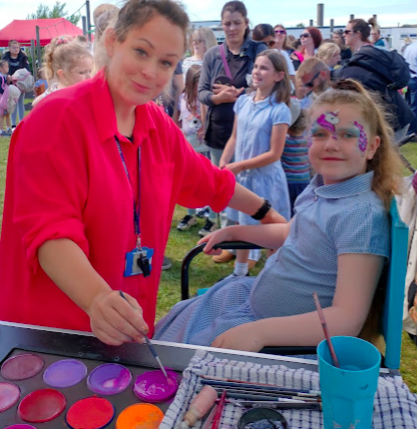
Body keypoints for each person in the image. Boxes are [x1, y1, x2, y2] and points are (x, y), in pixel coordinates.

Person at [0, 0, 285, 346]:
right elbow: (50, 233)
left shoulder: (156, 125)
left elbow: (211, 181)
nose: (150, 71)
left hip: (121, 334)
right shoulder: (55, 119)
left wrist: (270, 216)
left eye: (166, 62)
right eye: (141, 52)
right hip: (46, 336)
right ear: (112, 42)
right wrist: (97, 298)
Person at [154, 79, 402, 351]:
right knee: (173, 334)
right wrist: (234, 231)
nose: (330, 144)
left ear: (372, 146)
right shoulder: (322, 188)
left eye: (347, 135)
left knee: (178, 356)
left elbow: (346, 319)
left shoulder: (360, 216)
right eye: (320, 134)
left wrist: (259, 333)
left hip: (281, 341)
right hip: (250, 305)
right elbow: (289, 232)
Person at [217, 50, 292, 270]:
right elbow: (235, 136)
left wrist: (240, 165)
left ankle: (274, 272)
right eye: (256, 67)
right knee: (243, 223)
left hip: (266, 180)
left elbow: (274, 153)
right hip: (243, 178)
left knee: (270, 227)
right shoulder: (243, 102)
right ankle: (239, 272)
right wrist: (224, 162)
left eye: (264, 68)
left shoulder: (279, 110)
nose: (257, 72)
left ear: (278, 76)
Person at [198, 0, 267, 237]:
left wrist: (243, 94)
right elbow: (202, 92)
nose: (232, 28)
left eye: (237, 23)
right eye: (227, 24)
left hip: (253, 133)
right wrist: (219, 99)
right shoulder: (212, 55)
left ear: (246, 23)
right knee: (224, 188)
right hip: (220, 132)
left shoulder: (259, 51)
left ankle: (252, 240)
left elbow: (271, 86)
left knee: (252, 188)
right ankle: (228, 239)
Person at [338, 18, 414, 140]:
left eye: (347, 31)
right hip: (397, 116)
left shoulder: (367, 57)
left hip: (393, 121)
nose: (343, 35)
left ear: (357, 34)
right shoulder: (373, 53)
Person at [176, 65, 210, 231]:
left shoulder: (206, 98)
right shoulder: (183, 98)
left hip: (205, 147)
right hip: (189, 147)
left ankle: (210, 214)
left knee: (207, 181)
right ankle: (190, 214)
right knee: (189, 183)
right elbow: (179, 118)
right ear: (190, 82)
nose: (202, 85)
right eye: (198, 82)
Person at [32, 36, 93, 107]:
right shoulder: (54, 94)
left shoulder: (84, 90)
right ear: (63, 74)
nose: (89, 77)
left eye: (90, 71)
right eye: (82, 72)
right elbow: (35, 103)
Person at [281, 108, 310, 215]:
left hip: (288, 181)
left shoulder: (284, 141)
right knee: (301, 210)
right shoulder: (307, 141)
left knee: (287, 211)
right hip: (304, 180)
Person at [2, 40, 30, 129]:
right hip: (10, 84)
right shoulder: (5, 58)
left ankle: (22, 123)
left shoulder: (23, 57)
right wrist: (7, 76)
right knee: (13, 102)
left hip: (20, 83)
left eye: (17, 47)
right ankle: (13, 125)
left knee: (20, 102)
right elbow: (2, 69)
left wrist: (18, 76)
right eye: (14, 47)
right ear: (9, 48)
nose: (16, 49)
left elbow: (27, 70)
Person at [0, 60, 11, 137]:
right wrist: (6, 92)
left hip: (5, 99)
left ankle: (8, 128)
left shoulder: (4, 77)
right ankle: (1, 131)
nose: (7, 68)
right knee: (1, 115)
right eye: (6, 67)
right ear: (0, 68)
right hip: (0, 100)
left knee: (7, 114)